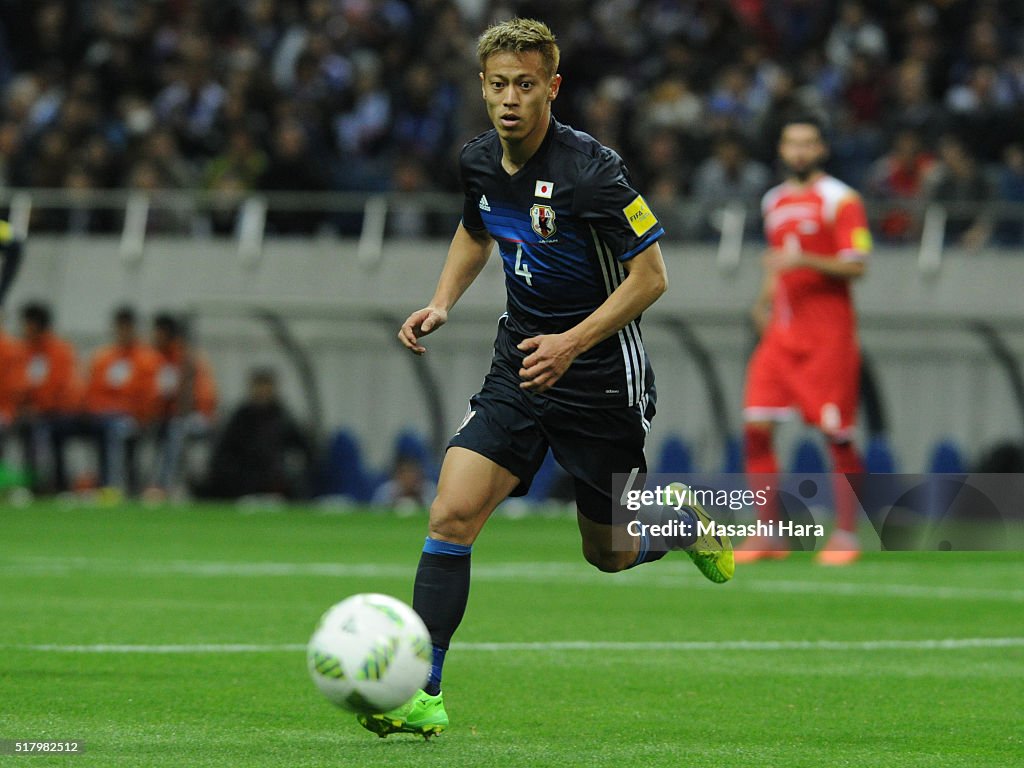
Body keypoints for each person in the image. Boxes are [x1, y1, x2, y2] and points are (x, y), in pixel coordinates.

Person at [357, 18, 734, 741]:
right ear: (482, 86)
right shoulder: (476, 161)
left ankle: (680, 523)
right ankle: (422, 693)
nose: (509, 99)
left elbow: (651, 277)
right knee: (451, 515)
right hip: (519, 365)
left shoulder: (593, 170)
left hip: (597, 376)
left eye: (525, 85)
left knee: (610, 553)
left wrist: (572, 342)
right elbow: (477, 227)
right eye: (498, 84)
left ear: (551, 88)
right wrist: (442, 301)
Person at [738, 116, 870, 567]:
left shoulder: (841, 200)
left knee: (837, 434)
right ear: (780, 149)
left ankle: (848, 535)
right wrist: (764, 302)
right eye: (791, 143)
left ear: (822, 150)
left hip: (828, 338)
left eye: (808, 144)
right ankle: (767, 534)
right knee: (756, 427)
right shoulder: (773, 201)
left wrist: (805, 258)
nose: (799, 151)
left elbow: (857, 265)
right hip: (781, 336)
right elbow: (780, 264)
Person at [57, 306, 160, 495]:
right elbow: (89, 389)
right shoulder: (104, 357)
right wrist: (86, 408)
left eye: (126, 327)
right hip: (98, 416)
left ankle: (112, 487)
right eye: (119, 327)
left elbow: (146, 396)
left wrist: (138, 415)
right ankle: (59, 485)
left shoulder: (147, 359)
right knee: (57, 427)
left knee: (114, 428)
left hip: (129, 418)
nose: (122, 332)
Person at [193, 367, 312, 500]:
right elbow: (224, 450)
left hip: (274, 479)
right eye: (259, 386)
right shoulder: (240, 417)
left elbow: (302, 445)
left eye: (266, 387)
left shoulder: (282, 416)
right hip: (244, 479)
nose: (262, 391)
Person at [145, 312, 218, 500]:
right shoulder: (155, 358)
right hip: (169, 417)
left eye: (157, 332)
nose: (153, 336)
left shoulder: (187, 358)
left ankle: (166, 486)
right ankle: (148, 483)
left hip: (197, 417)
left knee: (177, 430)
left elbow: (203, 397)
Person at [16, 302, 80, 493]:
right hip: (33, 412)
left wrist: (39, 407)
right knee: (27, 428)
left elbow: (60, 386)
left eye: (27, 324)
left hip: (60, 411)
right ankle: (32, 482)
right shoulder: (23, 350)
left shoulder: (59, 351)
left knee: (41, 431)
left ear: (36, 324)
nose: (24, 328)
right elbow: (18, 384)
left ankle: (49, 484)